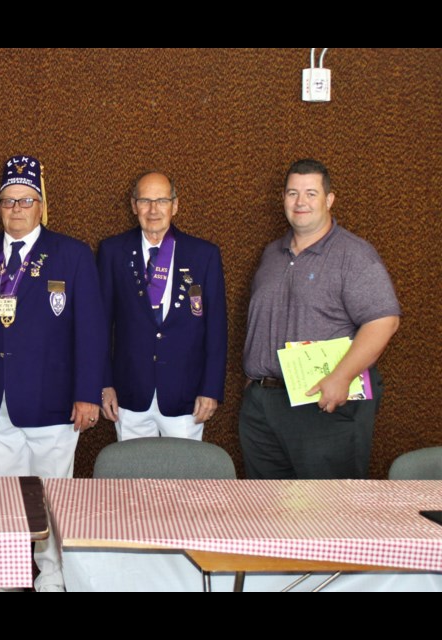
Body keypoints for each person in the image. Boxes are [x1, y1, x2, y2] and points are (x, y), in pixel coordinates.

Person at [0, 155, 106, 591]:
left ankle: (54, 580)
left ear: (41, 205)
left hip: (55, 402)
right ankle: (10, 576)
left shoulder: (71, 254)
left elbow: (90, 332)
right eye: (8, 201)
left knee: (54, 501)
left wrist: (87, 394)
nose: (16, 209)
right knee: (8, 500)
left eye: (26, 200)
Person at [240, 159, 400, 479]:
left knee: (327, 511)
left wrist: (342, 377)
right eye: (292, 193)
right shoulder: (272, 254)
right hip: (264, 404)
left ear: (329, 200)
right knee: (265, 511)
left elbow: (384, 320)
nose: (301, 202)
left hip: (323, 404)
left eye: (311, 193)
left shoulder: (354, 255)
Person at [98, 172, 227, 441]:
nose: (153, 210)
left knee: (182, 479)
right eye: (145, 200)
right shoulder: (112, 252)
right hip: (129, 393)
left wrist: (211, 389)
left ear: (175, 205)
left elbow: (216, 329)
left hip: (186, 395)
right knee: (132, 480)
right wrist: (104, 384)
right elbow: (100, 327)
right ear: (134, 206)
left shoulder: (204, 255)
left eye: (162, 200)